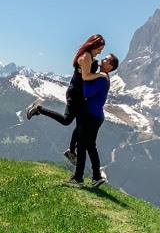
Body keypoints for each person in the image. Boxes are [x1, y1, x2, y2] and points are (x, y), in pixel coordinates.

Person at [26, 33, 107, 164]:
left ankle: (71, 151)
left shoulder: (89, 56)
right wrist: (101, 74)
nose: (99, 52)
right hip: (75, 94)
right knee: (67, 120)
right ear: (93, 45)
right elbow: (86, 77)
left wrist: (95, 70)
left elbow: (86, 75)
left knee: (80, 124)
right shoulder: (86, 56)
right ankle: (39, 109)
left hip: (80, 95)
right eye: (99, 49)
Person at [64, 53, 119, 188]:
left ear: (110, 66)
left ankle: (78, 178)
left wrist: (85, 76)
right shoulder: (103, 77)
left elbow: (87, 93)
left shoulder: (102, 79)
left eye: (106, 59)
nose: (102, 60)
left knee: (82, 146)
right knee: (90, 146)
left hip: (91, 115)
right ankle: (96, 177)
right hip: (96, 116)